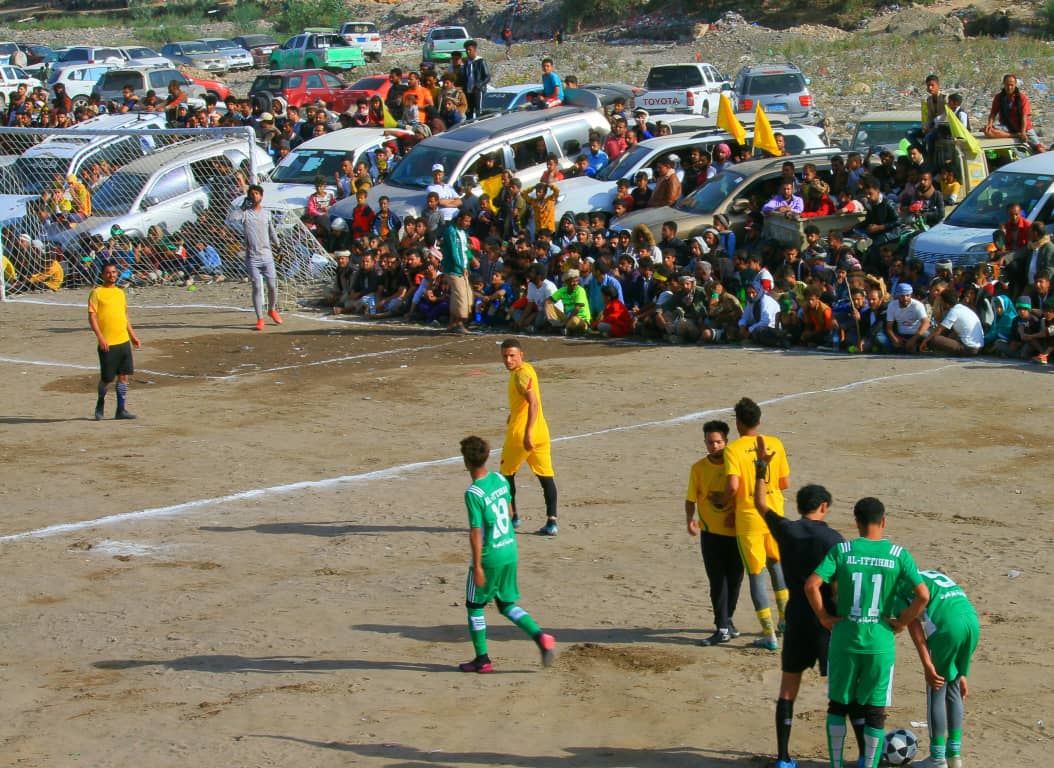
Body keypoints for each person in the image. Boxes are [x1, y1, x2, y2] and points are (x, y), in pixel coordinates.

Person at [805, 498, 929, 768]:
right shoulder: (898, 555)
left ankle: (836, 764)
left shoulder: (843, 551)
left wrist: (825, 617)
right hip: (880, 642)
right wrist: (904, 621)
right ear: (883, 522)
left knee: (838, 705)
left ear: (857, 522)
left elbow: (811, 585)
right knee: (875, 711)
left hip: (845, 639)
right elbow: (923, 595)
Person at [754, 436, 844, 768]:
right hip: (825, 621)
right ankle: (841, 756)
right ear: (823, 507)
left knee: (788, 687)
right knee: (838, 691)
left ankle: (783, 757)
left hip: (796, 617)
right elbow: (836, 587)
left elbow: (760, 503)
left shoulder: (787, 531)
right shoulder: (834, 539)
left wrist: (761, 467)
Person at [458, 434, 556, 673]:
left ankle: (483, 659)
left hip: (490, 556)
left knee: (474, 605)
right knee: (504, 603)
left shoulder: (474, 493)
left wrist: (478, 566)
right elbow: (511, 510)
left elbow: (475, 532)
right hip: (509, 550)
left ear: (466, 462)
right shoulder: (500, 479)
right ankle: (540, 636)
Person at [720, 397, 791, 651]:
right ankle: (785, 621)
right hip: (774, 514)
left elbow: (733, 486)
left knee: (756, 574)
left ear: (737, 424)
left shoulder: (733, 450)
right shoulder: (775, 443)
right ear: (759, 421)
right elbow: (785, 483)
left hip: (749, 517)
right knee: (777, 566)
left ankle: (769, 633)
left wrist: (723, 502)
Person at [898, 570, 980, 768]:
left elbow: (914, 626)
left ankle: (937, 758)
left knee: (936, 688)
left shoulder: (897, 587)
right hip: (971, 622)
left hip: (948, 628)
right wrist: (960, 670)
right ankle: (954, 756)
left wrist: (927, 665)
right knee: (953, 688)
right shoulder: (930, 575)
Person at [685, 420, 745, 647]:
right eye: (710, 442)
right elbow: (690, 498)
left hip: (736, 531)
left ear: (726, 442)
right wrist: (690, 520)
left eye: (718, 442)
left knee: (736, 579)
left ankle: (727, 620)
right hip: (710, 532)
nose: (714, 446)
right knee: (717, 580)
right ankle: (721, 626)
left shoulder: (735, 464)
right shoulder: (698, 468)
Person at [499, 339, 559, 536]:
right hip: (542, 433)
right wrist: (513, 413)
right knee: (546, 477)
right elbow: (525, 402)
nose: (508, 360)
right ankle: (552, 521)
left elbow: (533, 404)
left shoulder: (519, 377)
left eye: (512, 356)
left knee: (506, 476)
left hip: (521, 435)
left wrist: (527, 433)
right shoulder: (527, 370)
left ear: (521, 355)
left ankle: (512, 517)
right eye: (505, 356)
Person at [88, 262, 142, 421]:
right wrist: (101, 337)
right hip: (108, 343)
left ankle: (121, 409)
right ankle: (100, 404)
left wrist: (133, 336)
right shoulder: (96, 293)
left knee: (123, 376)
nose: (111, 275)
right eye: (108, 273)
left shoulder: (120, 293)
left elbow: (124, 316)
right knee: (106, 379)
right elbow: (92, 317)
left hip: (123, 341)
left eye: (114, 272)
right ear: (102, 275)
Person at [231, 182, 282, 331]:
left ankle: (272, 309)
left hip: (267, 256)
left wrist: (278, 246)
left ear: (261, 196)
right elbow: (231, 219)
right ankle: (260, 319)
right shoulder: (245, 214)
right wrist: (241, 207)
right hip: (252, 257)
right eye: (252, 194)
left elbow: (272, 232)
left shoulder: (266, 214)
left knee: (272, 286)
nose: (254, 196)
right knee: (257, 286)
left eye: (257, 193)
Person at [984, 73, 1044, 152]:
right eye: (1007, 85)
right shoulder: (999, 97)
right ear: (1004, 85)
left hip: (1023, 127)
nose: (1009, 87)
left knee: (1039, 149)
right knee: (988, 131)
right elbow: (993, 113)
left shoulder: (1022, 97)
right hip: (1007, 126)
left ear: (1015, 85)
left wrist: (1023, 132)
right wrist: (990, 124)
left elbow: (1024, 116)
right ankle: (1015, 135)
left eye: (1011, 85)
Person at [440, 207, 474, 334]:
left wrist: (472, 259)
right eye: (466, 221)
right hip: (453, 269)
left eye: (469, 222)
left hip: (462, 269)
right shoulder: (451, 232)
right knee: (461, 296)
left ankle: (451, 324)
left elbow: (465, 250)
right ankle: (458, 324)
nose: (468, 224)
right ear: (459, 219)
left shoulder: (463, 233)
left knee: (464, 295)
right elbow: (454, 252)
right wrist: (462, 267)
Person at [921, 288, 984, 356]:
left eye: (941, 302)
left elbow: (939, 330)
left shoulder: (954, 311)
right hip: (979, 347)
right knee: (946, 332)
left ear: (945, 302)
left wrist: (925, 341)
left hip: (969, 348)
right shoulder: (962, 308)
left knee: (934, 339)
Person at [461, 40, 490, 120]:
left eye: (470, 50)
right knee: (469, 111)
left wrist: (478, 86)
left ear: (474, 50)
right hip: (468, 91)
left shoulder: (480, 61)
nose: (468, 52)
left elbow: (487, 77)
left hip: (478, 91)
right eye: (466, 50)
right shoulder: (466, 63)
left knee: (478, 111)